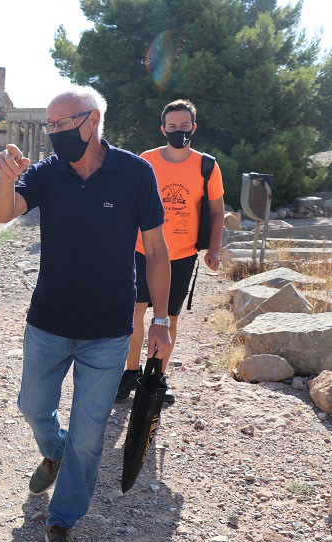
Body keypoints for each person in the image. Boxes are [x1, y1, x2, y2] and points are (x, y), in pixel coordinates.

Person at [0, 85, 173, 542]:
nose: (54, 133)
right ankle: (55, 453)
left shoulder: (135, 172)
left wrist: (160, 319)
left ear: (92, 121)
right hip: (48, 322)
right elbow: (0, 214)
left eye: (62, 123)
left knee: (90, 437)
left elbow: (157, 251)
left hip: (109, 332)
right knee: (32, 406)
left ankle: (62, 521)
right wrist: (6, 179)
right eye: (49, 125)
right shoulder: (48, 173)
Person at [116, 99, 225, 405]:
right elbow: (128, 204)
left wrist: (214, 248)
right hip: (142, 250)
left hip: (182, 254)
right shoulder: (146, 160)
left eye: (184, 125)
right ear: (163, 129)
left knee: (169, 319)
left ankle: (156, 376)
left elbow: (217, 211)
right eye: (173, 126)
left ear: (194, 127)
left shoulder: (207, 166)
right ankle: (131, 373)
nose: (179, 130)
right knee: (135, 314)